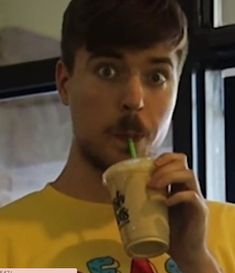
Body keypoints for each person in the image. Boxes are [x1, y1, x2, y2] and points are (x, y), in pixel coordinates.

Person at [0, 0, 234, 272]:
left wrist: (196, 260)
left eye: (157, 77)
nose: (134, 99)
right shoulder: (7, 241)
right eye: (107, 71)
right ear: (65, 83)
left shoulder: (228, 231)